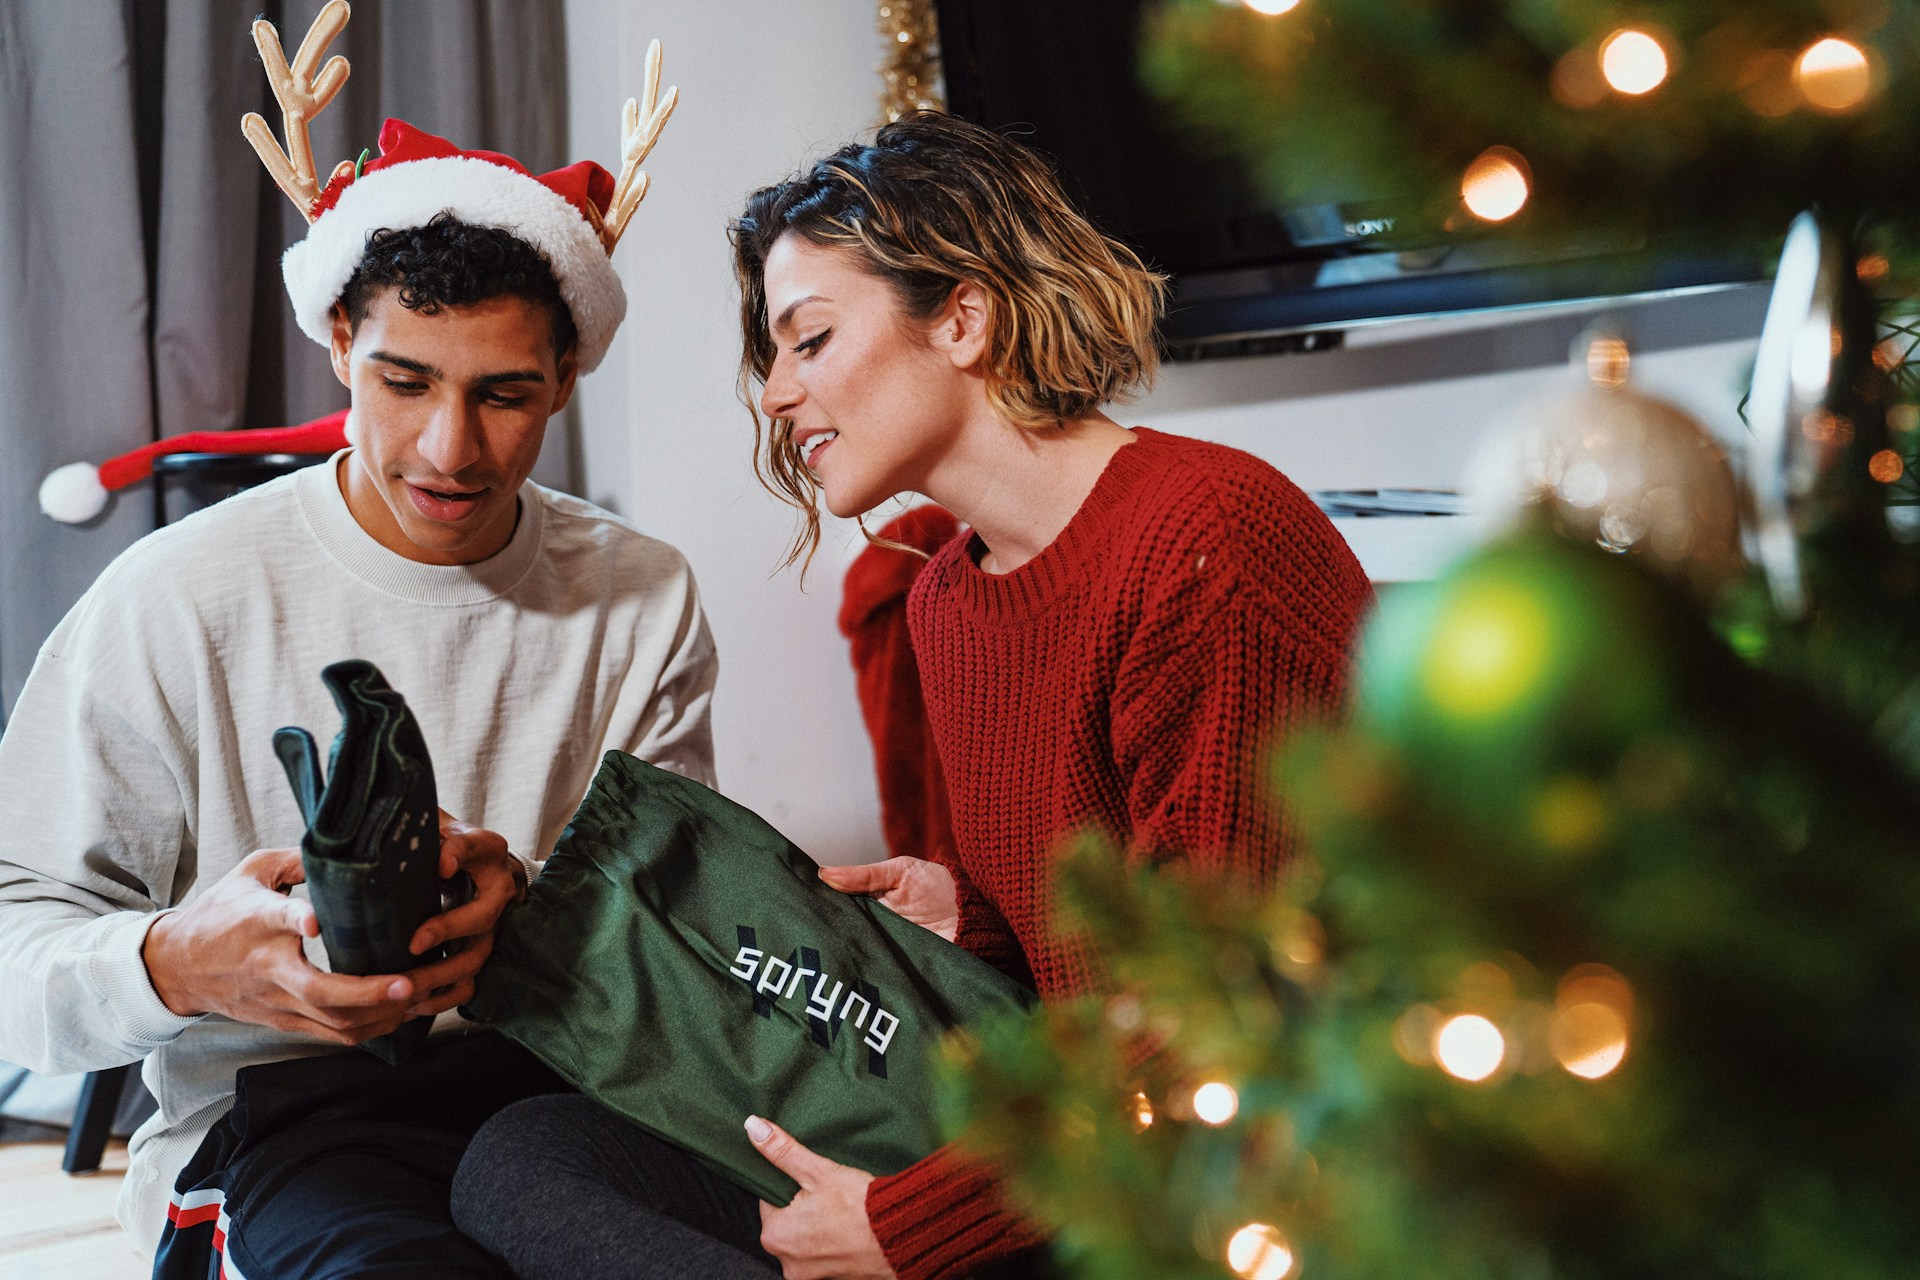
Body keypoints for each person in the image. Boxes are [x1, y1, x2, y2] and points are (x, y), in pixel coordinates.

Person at [452, 113, 1373, 1280]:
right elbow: (1064, 960)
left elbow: (1229, 1015)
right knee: (528, 1157)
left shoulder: (1210, 545)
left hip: (1212, 1178)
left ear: (963, 316)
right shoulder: (945, 595)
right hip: (1052, 1104)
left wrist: (911, 1222)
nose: (777, 392)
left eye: (811, 339)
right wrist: (967, 913)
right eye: (773, 353)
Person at [0, 12, 706, 1277]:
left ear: (565, 381)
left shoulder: (641, 595)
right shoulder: (173, 597)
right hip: (275, 1126)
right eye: (402, 382)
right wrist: (177, 961)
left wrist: (527, 917)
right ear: (338, 346)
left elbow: (683, 929)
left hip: (569, 1094)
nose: (449, 448)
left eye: (502, 394)